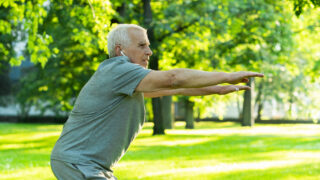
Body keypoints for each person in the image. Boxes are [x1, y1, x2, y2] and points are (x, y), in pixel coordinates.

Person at [50, 24, 264, 180]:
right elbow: (173, 79)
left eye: (148, 46)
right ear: (119, 51)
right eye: (142, 45)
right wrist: (227, 75)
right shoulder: (117, 71)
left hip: (89, 165)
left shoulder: (126, 82)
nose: (149, 52)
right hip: (78, 163)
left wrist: (216, 90)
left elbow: (175, 88)